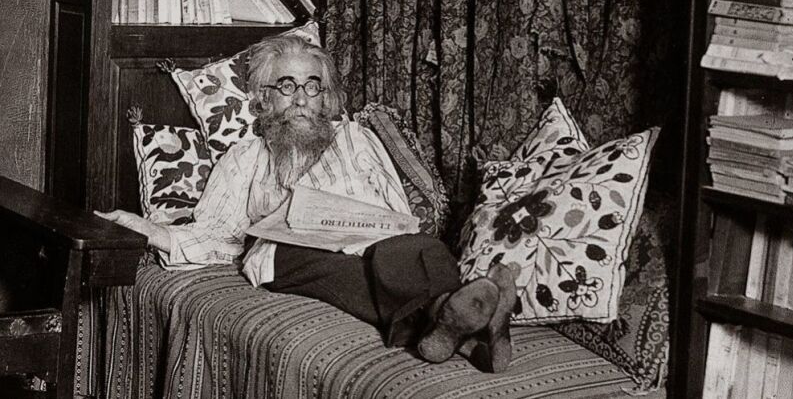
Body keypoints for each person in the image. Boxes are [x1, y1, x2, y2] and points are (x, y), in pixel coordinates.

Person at [96, 34, 515, 372]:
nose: (300, 98)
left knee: (419, 247)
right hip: (292, 252)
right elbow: (216, 231)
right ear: (264, 99)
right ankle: (456, 314)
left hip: (373, 244)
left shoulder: (357, 138)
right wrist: (151, 230)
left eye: (312, 86)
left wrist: (388, 235)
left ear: (325, 98)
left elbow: (398, 212)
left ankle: (456, 330)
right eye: (287, 86)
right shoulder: (247, 156)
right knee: (325, 264)